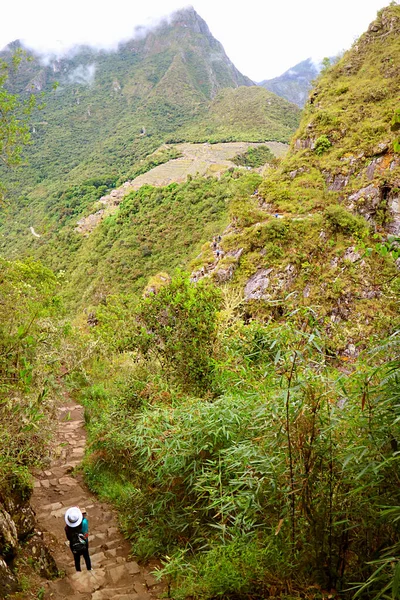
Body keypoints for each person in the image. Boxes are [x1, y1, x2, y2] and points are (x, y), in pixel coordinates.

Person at [65, 506, 92, 572]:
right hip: (83, 542)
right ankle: (89, 569)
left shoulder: (66, 528)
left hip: (73, 544)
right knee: (86, 556)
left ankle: (78, 571)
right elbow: (86, 534)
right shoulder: (84, 522)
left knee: (76, 558)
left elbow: (68, 538)